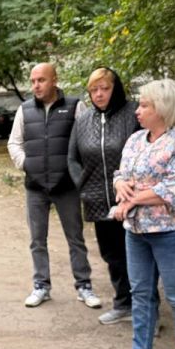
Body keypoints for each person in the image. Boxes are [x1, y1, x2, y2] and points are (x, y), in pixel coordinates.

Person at [108, 79, 175, 349]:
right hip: (136, 229)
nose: (137, 110)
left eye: (144, 105)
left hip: (173, 231)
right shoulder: (136, 140)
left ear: (163, 108)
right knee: (141, 292)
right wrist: (120, 183)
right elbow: (122, 172)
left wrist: (132, 198)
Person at [8, 62, 101, 309]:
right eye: (33, 81)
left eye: (41, 80)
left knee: (76, 238)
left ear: (54, 80)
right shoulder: (24, 110)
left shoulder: (75, 106)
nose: (36, 85)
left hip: (66, 186)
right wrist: (28, 164)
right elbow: (14, 143)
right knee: (37, 240)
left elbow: (87, 142)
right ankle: (41, 286)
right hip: (35, 187)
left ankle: (84, 286)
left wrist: (76, 171)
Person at [68, 67, 141, 324]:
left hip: (132, 200)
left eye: (105, 88)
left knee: (138, 256)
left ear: (116, 89)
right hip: (98, 200)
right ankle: (123, 304)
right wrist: (84, 187)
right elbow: (73, 158)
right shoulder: (84, 120)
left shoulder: (133, 113)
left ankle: (145, 310)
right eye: (94, 90)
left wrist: (135, 188)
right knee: (112, 255)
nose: (99, 94)